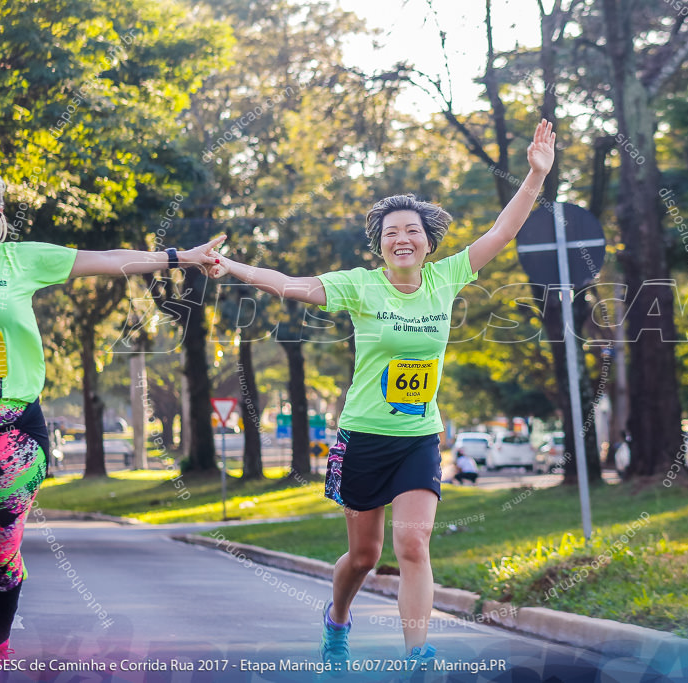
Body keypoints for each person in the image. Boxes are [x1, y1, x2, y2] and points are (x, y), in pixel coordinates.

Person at [209, 120, 555, 666]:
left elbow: (501, 233)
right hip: (364, 436)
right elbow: (289, 285)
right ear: (380, 243)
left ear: (427, 241)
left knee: (413, 547)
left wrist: (534, 176)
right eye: (391, 231)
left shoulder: (445, 279)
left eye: (412, 230)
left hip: (418, 436)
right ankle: (337, 620)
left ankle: (418, 655)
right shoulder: (360, 285)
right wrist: (231, 267)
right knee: (364, 556)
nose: (402, 238)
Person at [0, 165, 223, 669]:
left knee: (2, 552)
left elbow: (108, 261)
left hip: (14, 431)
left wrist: (178, 257)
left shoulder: (24, 260)